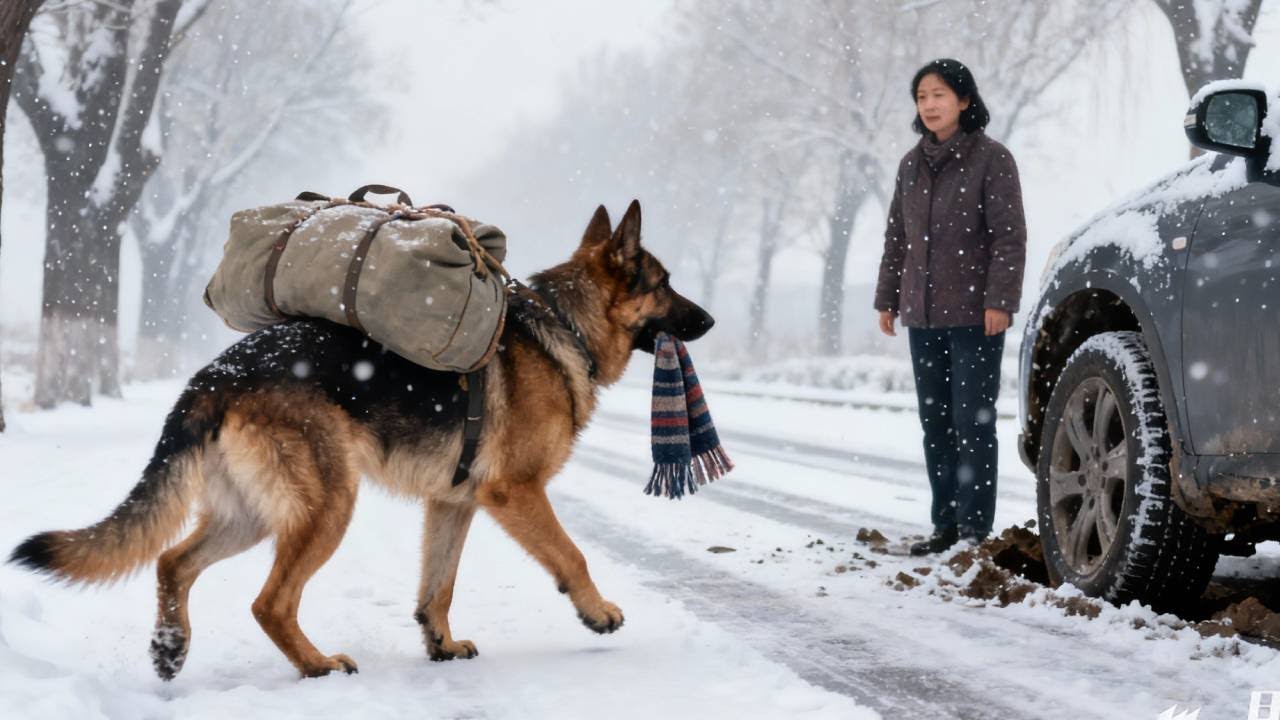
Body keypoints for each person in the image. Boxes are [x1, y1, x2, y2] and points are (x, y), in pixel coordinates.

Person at [874, 59, 1027, 556]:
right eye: (922, 97)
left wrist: (1001, 300)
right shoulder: (910, 164)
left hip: (975, 316)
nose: (930, 105)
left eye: (939, 94)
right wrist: (887, 299)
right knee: (935, 422)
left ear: (964, 100)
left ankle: (973, 531)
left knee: (972, 421)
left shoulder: (992, 159)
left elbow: (1009, 237)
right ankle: (944, 524)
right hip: (922, 313)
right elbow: (896, 237)